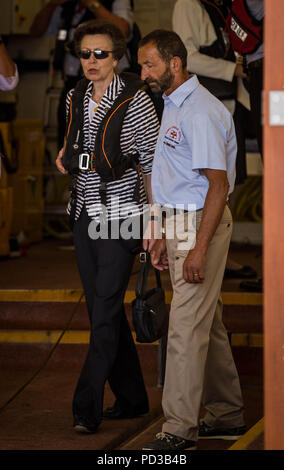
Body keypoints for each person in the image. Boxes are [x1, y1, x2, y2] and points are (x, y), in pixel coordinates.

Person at [138, 29, 245, 451]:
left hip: (202, 222)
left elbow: (216, 186)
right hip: (182, 221)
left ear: (174, 64)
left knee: (184, 327)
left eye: (150, 64)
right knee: (208, 322)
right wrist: (164, 230)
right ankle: (227, 415)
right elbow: (176, 179)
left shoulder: (199, 111)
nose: (144, 72)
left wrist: (198, 247)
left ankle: (178, 430)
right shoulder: (173, 103)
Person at [55, 19, 159, 433]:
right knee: (105, 310)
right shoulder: (75, 95)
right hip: (83, 212)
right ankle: (133, 398)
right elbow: (73, 144)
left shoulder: (136, 99)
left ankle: (86, 405)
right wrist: (65, 154)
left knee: (103, 310)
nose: (92, 61)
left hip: (121, 216)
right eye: (85, 54)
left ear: (117, 57)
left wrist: (154, 221)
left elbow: (150, 164)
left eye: (101, 54)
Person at [172, 0, 257, 281]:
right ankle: (203, 251)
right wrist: (231, 70)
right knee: (208, 183)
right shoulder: (188, 5)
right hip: (206, 104)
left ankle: (218, 253)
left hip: (231, 102)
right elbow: (188, 57)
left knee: (225, 184)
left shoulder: (224, 6)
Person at [30, 0, 135, 149]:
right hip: (72, 84)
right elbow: (35, 31)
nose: (90, 58)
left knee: (106, 141)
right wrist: (51, 4)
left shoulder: (115, 2)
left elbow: (124, 31)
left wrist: (91, 3)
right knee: (70, 143)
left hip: (108, 85)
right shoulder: (67, 7)